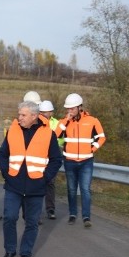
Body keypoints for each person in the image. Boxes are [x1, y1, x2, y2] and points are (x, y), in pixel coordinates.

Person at [0, 101, 63, 257]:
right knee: (9, 218)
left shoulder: (48, 133)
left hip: (36, 187)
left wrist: (45, 178)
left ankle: (26, 253)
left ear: (34, 116)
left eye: (23, 115)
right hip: (14, 184)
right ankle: (10, 251)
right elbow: (3, 154)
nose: (19, 118)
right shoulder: (13, 130)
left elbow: (56, 159)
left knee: (32, 222)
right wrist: (7, 173)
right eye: (19, 114)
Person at [55, 93, 106, 227]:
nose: (69, 111)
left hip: (86, 162)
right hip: (69, 161)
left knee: (85, 189)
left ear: (79, 107)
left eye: (72, 108)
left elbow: (102, 137)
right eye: (68, 108)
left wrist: (92, 149)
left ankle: (86, 217)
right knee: (71, 189)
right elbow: (55, 135)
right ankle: (72, 214)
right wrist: (66, 120)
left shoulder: (92, 120)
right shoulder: (64, 121)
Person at [39, 100, 62, 220]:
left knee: (50, 184)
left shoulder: (56, 123)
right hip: (38, 158)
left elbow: (61, 138)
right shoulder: (36, 122)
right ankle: (35, 213)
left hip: (51, 158)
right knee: (37, 185)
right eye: (42, 112)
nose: (44, 114)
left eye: (46, 112)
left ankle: (50, 209)